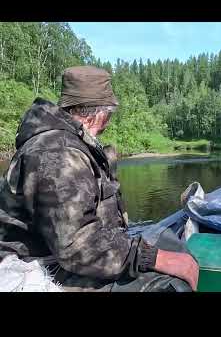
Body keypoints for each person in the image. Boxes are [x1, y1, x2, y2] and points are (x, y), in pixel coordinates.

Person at [0, 66, 199, 292]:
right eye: (111, 112)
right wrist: (149, 258)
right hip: (40, 266)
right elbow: (77, 246)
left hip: (64, 255)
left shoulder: (69, 143)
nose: (110, 119)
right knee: (170, 284)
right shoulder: (57, 153)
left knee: (170, 245)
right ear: (100, 113)